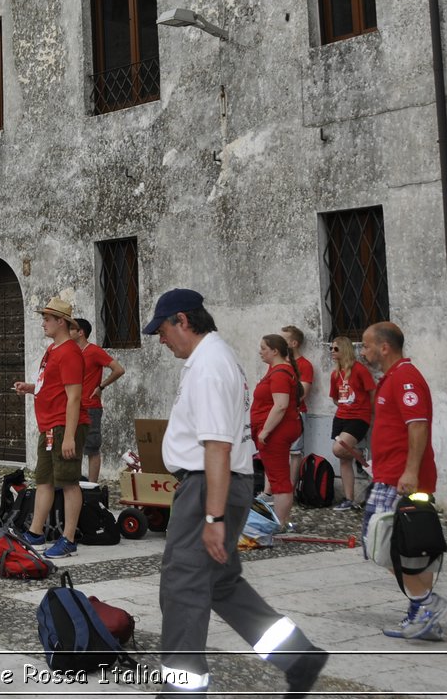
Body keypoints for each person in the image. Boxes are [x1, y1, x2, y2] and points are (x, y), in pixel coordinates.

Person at [144, 288, 327, 696]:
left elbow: (217, 447)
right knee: (220, 583)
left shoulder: (209, 365)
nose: (160, 339)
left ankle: (182, 689)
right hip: (224, 481)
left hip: (210, 483)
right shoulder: (213, 358)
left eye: (162, 329)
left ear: (184, 322)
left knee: (183, 587)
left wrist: (213, 517)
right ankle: (297, 655)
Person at [358, 320, 447, 640]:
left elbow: (418, 425)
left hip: (400, 480)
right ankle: (423, 616)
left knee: (385, 545)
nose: (363, 351)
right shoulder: (391, 378)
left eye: (367, 345)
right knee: (406, 549)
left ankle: (426, 603)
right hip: (389, 475)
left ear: (385, 347)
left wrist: (409, 471)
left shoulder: (405, 378)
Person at [11, 297, 85, 557]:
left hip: (64, 425)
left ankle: (69, 539)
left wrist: (70, 437)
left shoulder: (70, 352)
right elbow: (52, 385)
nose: (42, 323)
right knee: (44, 480)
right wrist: (31, 388)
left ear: (60, 322)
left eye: (46, 319)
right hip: (50, 425)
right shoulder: (53, 350)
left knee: (68, 482)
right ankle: (35, 531)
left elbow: (74, 396)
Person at [251, 334, 303, 532]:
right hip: (277, 430)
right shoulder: (277, 370)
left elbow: (280, 406)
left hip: (276, 432)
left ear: (275, 351)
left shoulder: (280, 373)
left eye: (264, 348)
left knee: (279, 478)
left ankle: (279, 524)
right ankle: (282, 520)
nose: (260, 351)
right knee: (276, 476)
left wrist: (265, 431)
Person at [74, 318, 124, 481]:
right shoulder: (72, 352)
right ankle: (75, 485)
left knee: (92, 448)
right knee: (74, 448)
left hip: (90, 407)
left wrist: (101, 386)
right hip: (73, 406)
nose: (67, 332)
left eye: (71, 329)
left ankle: (92, 487)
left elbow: (118, 369)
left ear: (80, 332)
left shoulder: (94, 351)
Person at [328, 335, 374, 511]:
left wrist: (367, 411)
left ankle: (360, 454)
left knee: (339, 448)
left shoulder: (360, 370)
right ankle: (349, 499)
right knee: (343, 459)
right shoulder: (335, 374)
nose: (332, 351)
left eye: (336, 349)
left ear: (345, 350)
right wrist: (344, 405)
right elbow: (334, 397)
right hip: (341, 417)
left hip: (358, 417)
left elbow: (371, 392)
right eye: (331, 348)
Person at [281, 325, 314, 490]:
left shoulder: (305, 365)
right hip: (277, 414)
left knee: (295, 452)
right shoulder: (279, 363)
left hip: (295, 414)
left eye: (284, 340)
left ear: (293, 343)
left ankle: (290, 489)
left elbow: (302, 394)